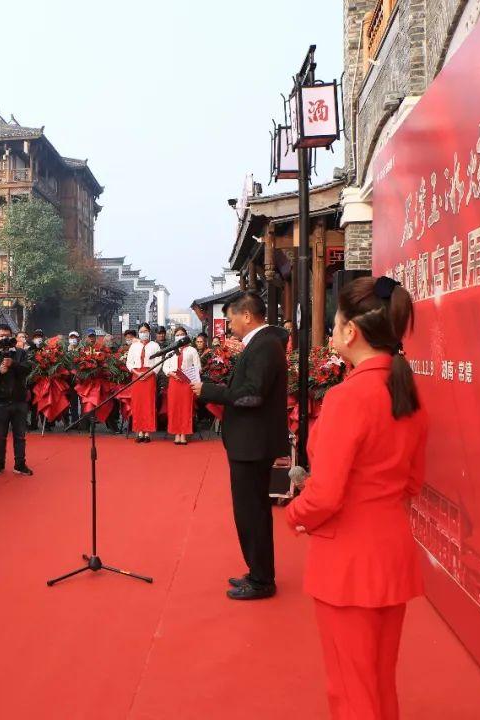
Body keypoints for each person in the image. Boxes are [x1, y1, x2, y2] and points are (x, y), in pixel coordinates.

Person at [285, 277, 426, 720]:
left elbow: (325, 495)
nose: (331, 333)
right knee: (379, 681)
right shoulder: (407, 391)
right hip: (390, 552)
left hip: (347, 561)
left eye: (335, 323)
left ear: (351, 332)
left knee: (351, 689)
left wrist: (294, 513)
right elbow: (412, 483)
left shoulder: (349, 397)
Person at [192, 293, 288, 600]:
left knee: (252, 512)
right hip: (250, 441)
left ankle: (261, 580)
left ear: (247, 316)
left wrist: (210, 391)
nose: (229, 325)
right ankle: (257, 570)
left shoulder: (265, 346)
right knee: (251, 511)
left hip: (253, 443)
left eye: (231, 318)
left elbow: (252, 395)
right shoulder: (262, 344)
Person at [0, 324, 34, 475]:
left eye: (7, 335)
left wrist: (14, 364)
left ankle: (20, 464)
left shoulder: (20, 353)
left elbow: (27, 370)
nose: (4, 338)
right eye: (1, 335)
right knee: (0, 436)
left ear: (12, 336)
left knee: (20, 435)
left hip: (19, 400)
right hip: (0, 402)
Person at [162, 326, 202, 445]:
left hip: (186, 382)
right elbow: (165, 366)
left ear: (185, 336)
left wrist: (188, 373)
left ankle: (183, 433)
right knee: (174, 407)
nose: (179, 337)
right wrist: (171, 373)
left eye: (181, 334)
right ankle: (176, 433)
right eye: (177, 335)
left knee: (185, 408)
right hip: (174, 382)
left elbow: (198, 367)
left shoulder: (192, 350)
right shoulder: (171, 350)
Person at [126, 322, 161, 443]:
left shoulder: (155, 345)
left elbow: (159, 362)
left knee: (148, 404)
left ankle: (147, 432)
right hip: (136, 376)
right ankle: (139, 431)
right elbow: (129, 363)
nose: (143, 334)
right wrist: (136, 373)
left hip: (149, 375)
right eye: (141, 332)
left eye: (145, 331)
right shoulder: (134, 346)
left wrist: (149, 373)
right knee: (138, 404)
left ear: (149, 332)